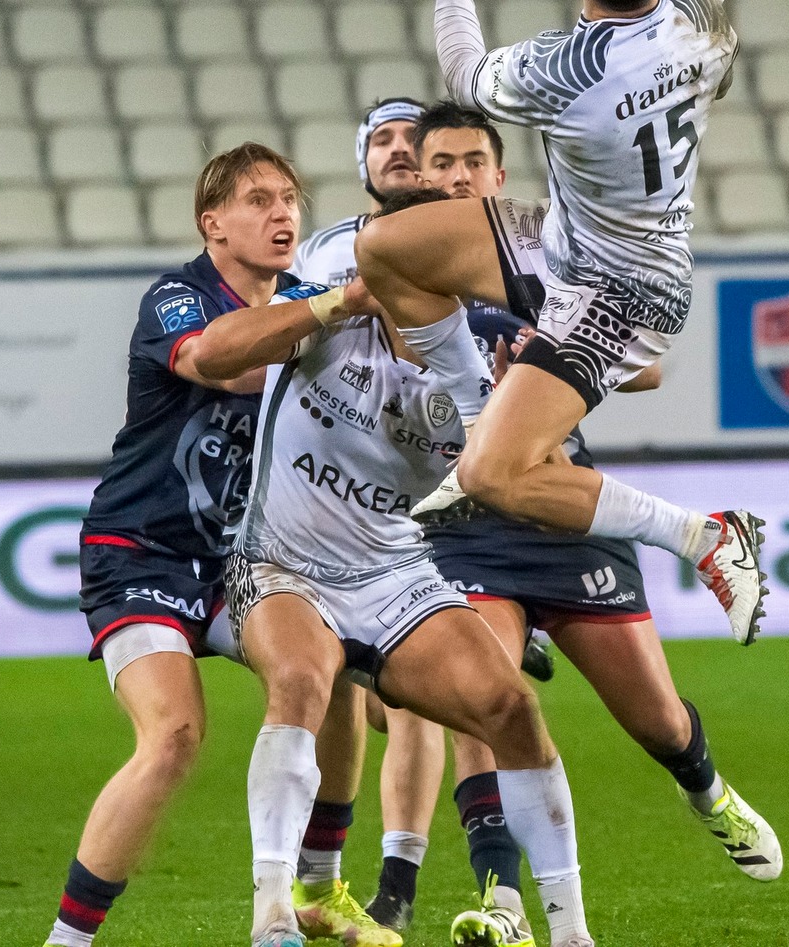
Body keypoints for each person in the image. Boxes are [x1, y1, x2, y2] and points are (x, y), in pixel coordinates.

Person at [352, 0, 767, 645]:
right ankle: (483, 414)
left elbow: (461, 71)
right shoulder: (705, 20)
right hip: (565, 239)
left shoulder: (566, 70)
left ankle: (706, 536)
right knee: (384, 248)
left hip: (621, 292)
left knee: (494, 477)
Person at [407, 102, 783, 947]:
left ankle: (707, 789)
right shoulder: (399, 267)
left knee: (657, 722)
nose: (460, 174)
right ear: (420, 176)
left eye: (475, 160)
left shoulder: (545, 259)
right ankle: (503, 902)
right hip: (462, 527)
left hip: (562, 509)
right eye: (444, 163)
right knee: (481, 701)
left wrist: (550, 351)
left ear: (499, 178)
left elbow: (647, 365)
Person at [191, 188, 600, 947]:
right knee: (303, 679)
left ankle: (572, 933)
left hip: (393, 571)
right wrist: (330, 304)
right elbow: (211, 357)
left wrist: (531, 415)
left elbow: (528, 484)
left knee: (509, 707)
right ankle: (273, 915)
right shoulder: (323, 318)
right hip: (280, 562)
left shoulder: (476, 376)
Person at [44, 143, 354, 947]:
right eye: (259, 199)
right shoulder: (178, 297)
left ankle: (313, 891)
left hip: (241, 561)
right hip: (138, 550)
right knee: (175, 734)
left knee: (327, 667)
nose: (283, 212)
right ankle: (67, 942)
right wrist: (334, 320)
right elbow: (224, 366)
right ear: (212, 223)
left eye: (290, 197)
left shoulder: (310, 297)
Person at [288, 97, 443, 943]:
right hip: (343, 495)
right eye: (380, 139)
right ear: (365, 163)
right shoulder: (323, 250)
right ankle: (318, 882)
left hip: (435, 499)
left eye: (411, 139)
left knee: (417, 697)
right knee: (363, 691)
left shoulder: (475, 243)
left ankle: (396, 887)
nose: (396, 150)